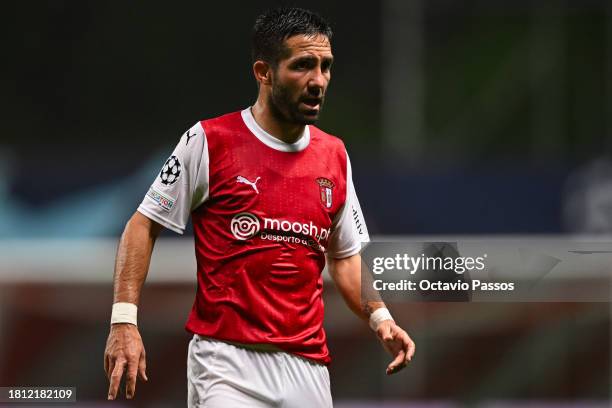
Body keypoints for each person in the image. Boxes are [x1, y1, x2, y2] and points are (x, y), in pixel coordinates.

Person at [104, 7, 415, 407]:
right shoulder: (210, 140)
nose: (318, 81)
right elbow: (142, 225)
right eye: (302, 66)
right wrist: (124, 321)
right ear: (263, 72)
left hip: (308, 369)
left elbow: (345, 258)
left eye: (325, 66)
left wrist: (381, 318)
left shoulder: (334, 155)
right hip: (226, 364)